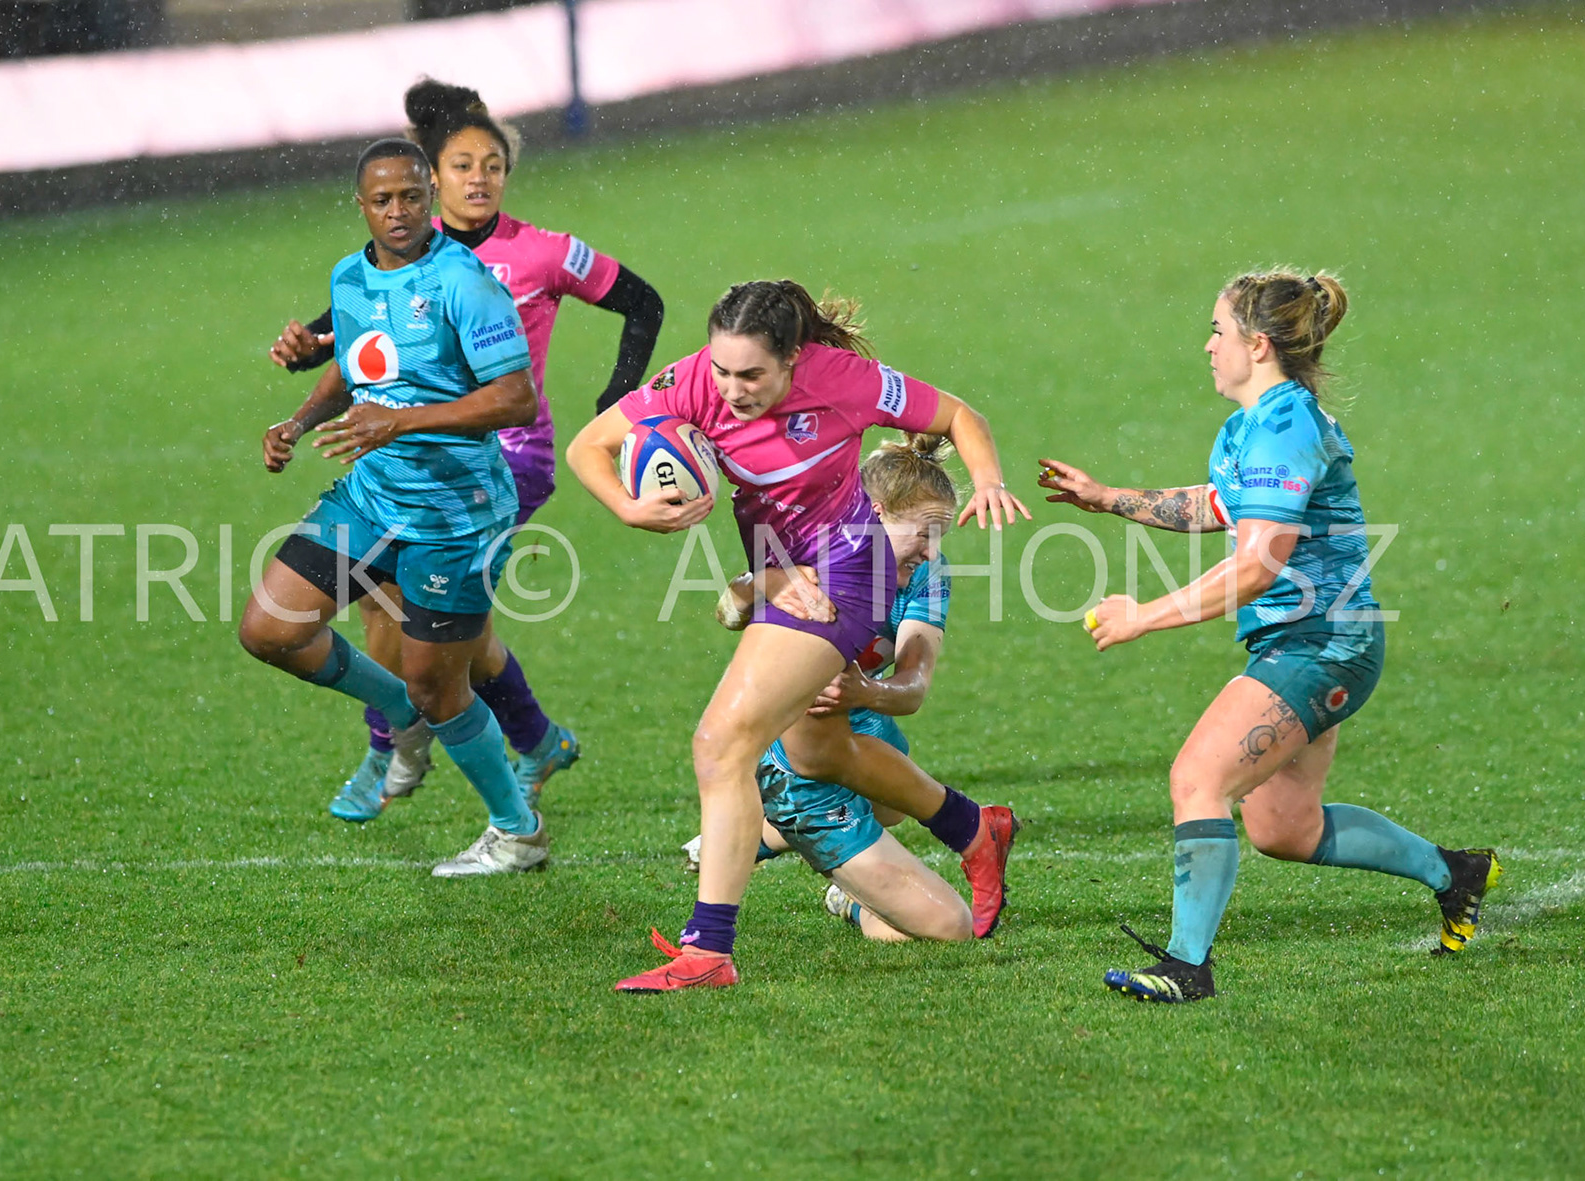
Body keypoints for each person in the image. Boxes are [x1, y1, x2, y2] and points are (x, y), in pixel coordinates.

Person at [1038, 268, 1500, 1003]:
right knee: (1284, 828)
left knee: (1197, 779)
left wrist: (1143, 615)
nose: (1207, 346)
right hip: (1308, 641)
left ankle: (1188, 968)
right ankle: (1457, 873)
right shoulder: (1256, 424)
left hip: (1322, 644)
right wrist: (1108, 498)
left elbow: (1256, 567)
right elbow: (1218, 505)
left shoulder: (1287, 429)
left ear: (1257, 344)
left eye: (1217, 331)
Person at [566, 280, 1030, 991]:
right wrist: (629, 508)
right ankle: (972, 828)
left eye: (751, 374)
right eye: (722, 369)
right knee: (817, 748)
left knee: (721, 743)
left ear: (792, 360)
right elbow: (588, 446)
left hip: (851, 571)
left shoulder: (843, 380)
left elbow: (959, 415)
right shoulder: (692, 382)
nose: (731, 390)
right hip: (789, 572)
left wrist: (989, 479)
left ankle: (708, 950)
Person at [272, 79, 664, 823]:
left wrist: (617, 398)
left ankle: (393, 749)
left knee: (401, 611)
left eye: (493, 165)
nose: (479, 178)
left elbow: (642, 303)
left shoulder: (539, 253)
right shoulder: (399, 258)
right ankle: (532, 739)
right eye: (462, 165)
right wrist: (301, 356)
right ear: (432, 177)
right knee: (449, 627)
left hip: (504, 458)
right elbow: (353, 342)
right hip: (408, 452)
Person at [240, 137, 550, 878]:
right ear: (362, 206)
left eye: (412, 196)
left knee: (441, 686)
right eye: (383, 200)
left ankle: (519, 833)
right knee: (270, 629)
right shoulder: (349, 277)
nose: (399, 211)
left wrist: (402, 422)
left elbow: (516, 399)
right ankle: (402, 713)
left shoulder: (463, 281)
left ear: (429, 196)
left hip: (456, 515)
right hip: (373, 496)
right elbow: (355, 368)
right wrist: (298, 423)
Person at [709, 435, 986, 943]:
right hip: (799, 753)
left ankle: (770, 839)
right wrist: (768, 583)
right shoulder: (816, 553)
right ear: (875, 514)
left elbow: (913, 686)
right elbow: (729, 609)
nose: (932, 551)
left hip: (863, 716)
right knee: (949, 928)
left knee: (892, 807)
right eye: (924, 534)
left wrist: (865, 694)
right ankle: (787, 844)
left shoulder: (926, 572)